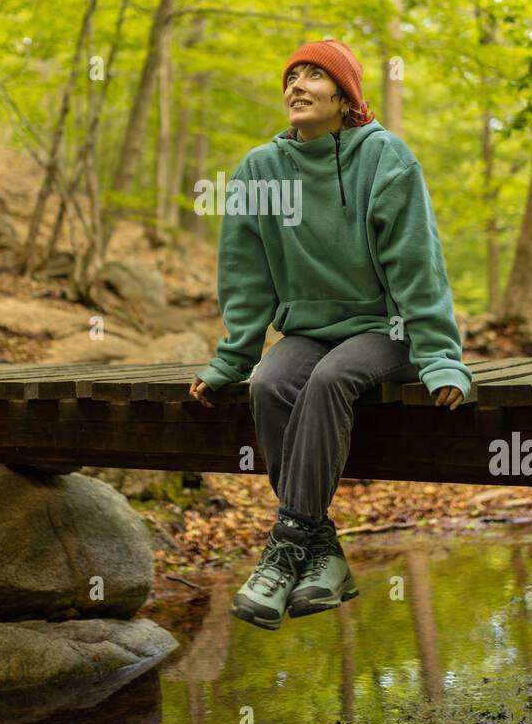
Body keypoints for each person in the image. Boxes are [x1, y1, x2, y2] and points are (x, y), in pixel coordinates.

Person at [188, 37, 472, 630]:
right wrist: (231, 363)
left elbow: (418, 266)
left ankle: (286, 548)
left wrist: (442, 357)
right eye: (292, 76)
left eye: (315, 76)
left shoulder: (386, 159)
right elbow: (245, 278)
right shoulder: (259, 170)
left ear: (346, 98)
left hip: (387, 327)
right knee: (269, 383)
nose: (297, 85)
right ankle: (321, 552)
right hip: (311, 329)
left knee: (332, 378)